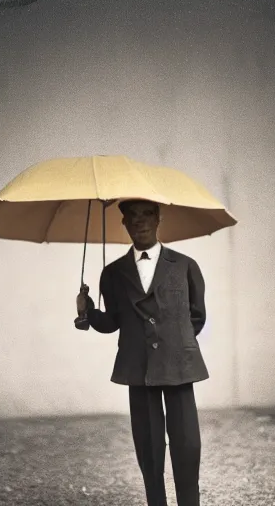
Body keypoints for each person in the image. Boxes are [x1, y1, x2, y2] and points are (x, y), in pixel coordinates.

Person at [76, 199, 209, 506]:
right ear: (124, 224)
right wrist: (88, 311)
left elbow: (197, 316)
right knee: (148, 447)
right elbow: (111, 322)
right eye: (132, 217)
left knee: (187, 445)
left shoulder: (185, 265)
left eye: (147, 214)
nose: (140, 222)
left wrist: (174, 343)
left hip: (179, 366)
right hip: (138, 367)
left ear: (159, 218)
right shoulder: (112, 273)